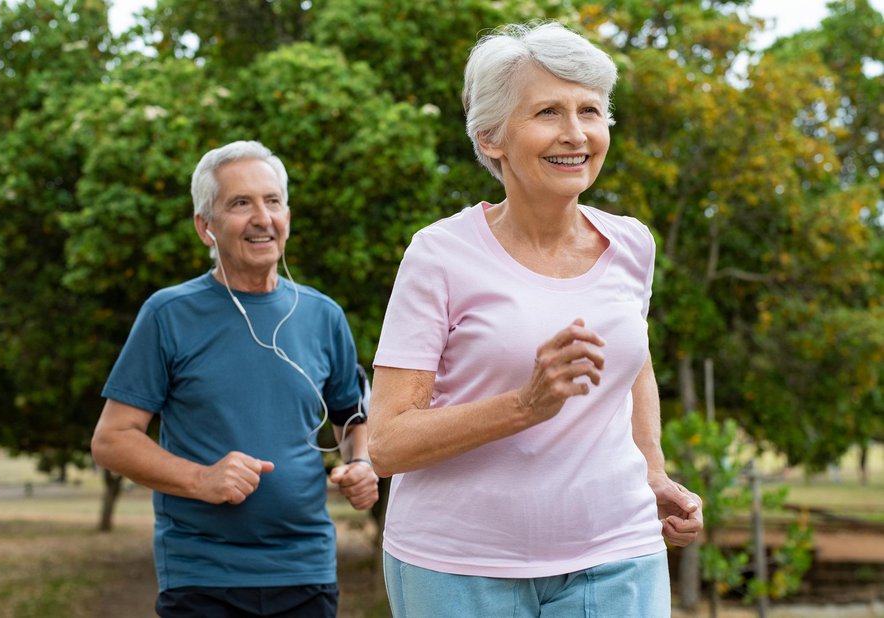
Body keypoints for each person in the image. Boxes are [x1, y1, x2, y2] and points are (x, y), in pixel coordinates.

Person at [367, 22, 703, 617]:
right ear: (491, 137)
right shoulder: (438, 255)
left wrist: (652, 471)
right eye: (548, 111)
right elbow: (387, 443)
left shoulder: (632, 245)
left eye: (591, 111)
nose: (576, 134)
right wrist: (526, 404)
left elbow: (633, 364)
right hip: (457, 565)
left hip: (617, 552)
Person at [91, 140, 379, 618]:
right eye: (240, 203)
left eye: (273, 201)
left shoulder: (323, 314)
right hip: (204, 577)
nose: (262, 217)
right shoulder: (169, 314)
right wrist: (202, 479)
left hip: (307, 572)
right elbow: (112, 441)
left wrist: (361, 464)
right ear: (206, 227)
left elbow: (351, 413)